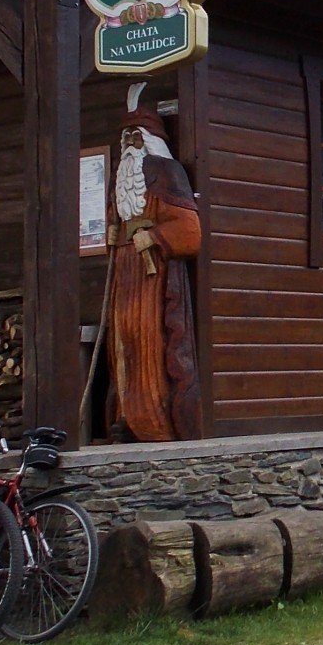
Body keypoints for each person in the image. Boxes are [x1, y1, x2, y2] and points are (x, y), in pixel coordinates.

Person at [107, 87, 202, 441]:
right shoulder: (121, 176)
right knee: (122, 345)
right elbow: (121, 213)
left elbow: (191, 232)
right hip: (125, 270)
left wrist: (157, 237)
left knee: (150, 343)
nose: (131, 143)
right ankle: (124, 417)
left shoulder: (165, 171)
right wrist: (114, 233)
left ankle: (153, 422)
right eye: (126, 136)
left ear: (151, 140)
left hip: (153, 275)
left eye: (137, 136)